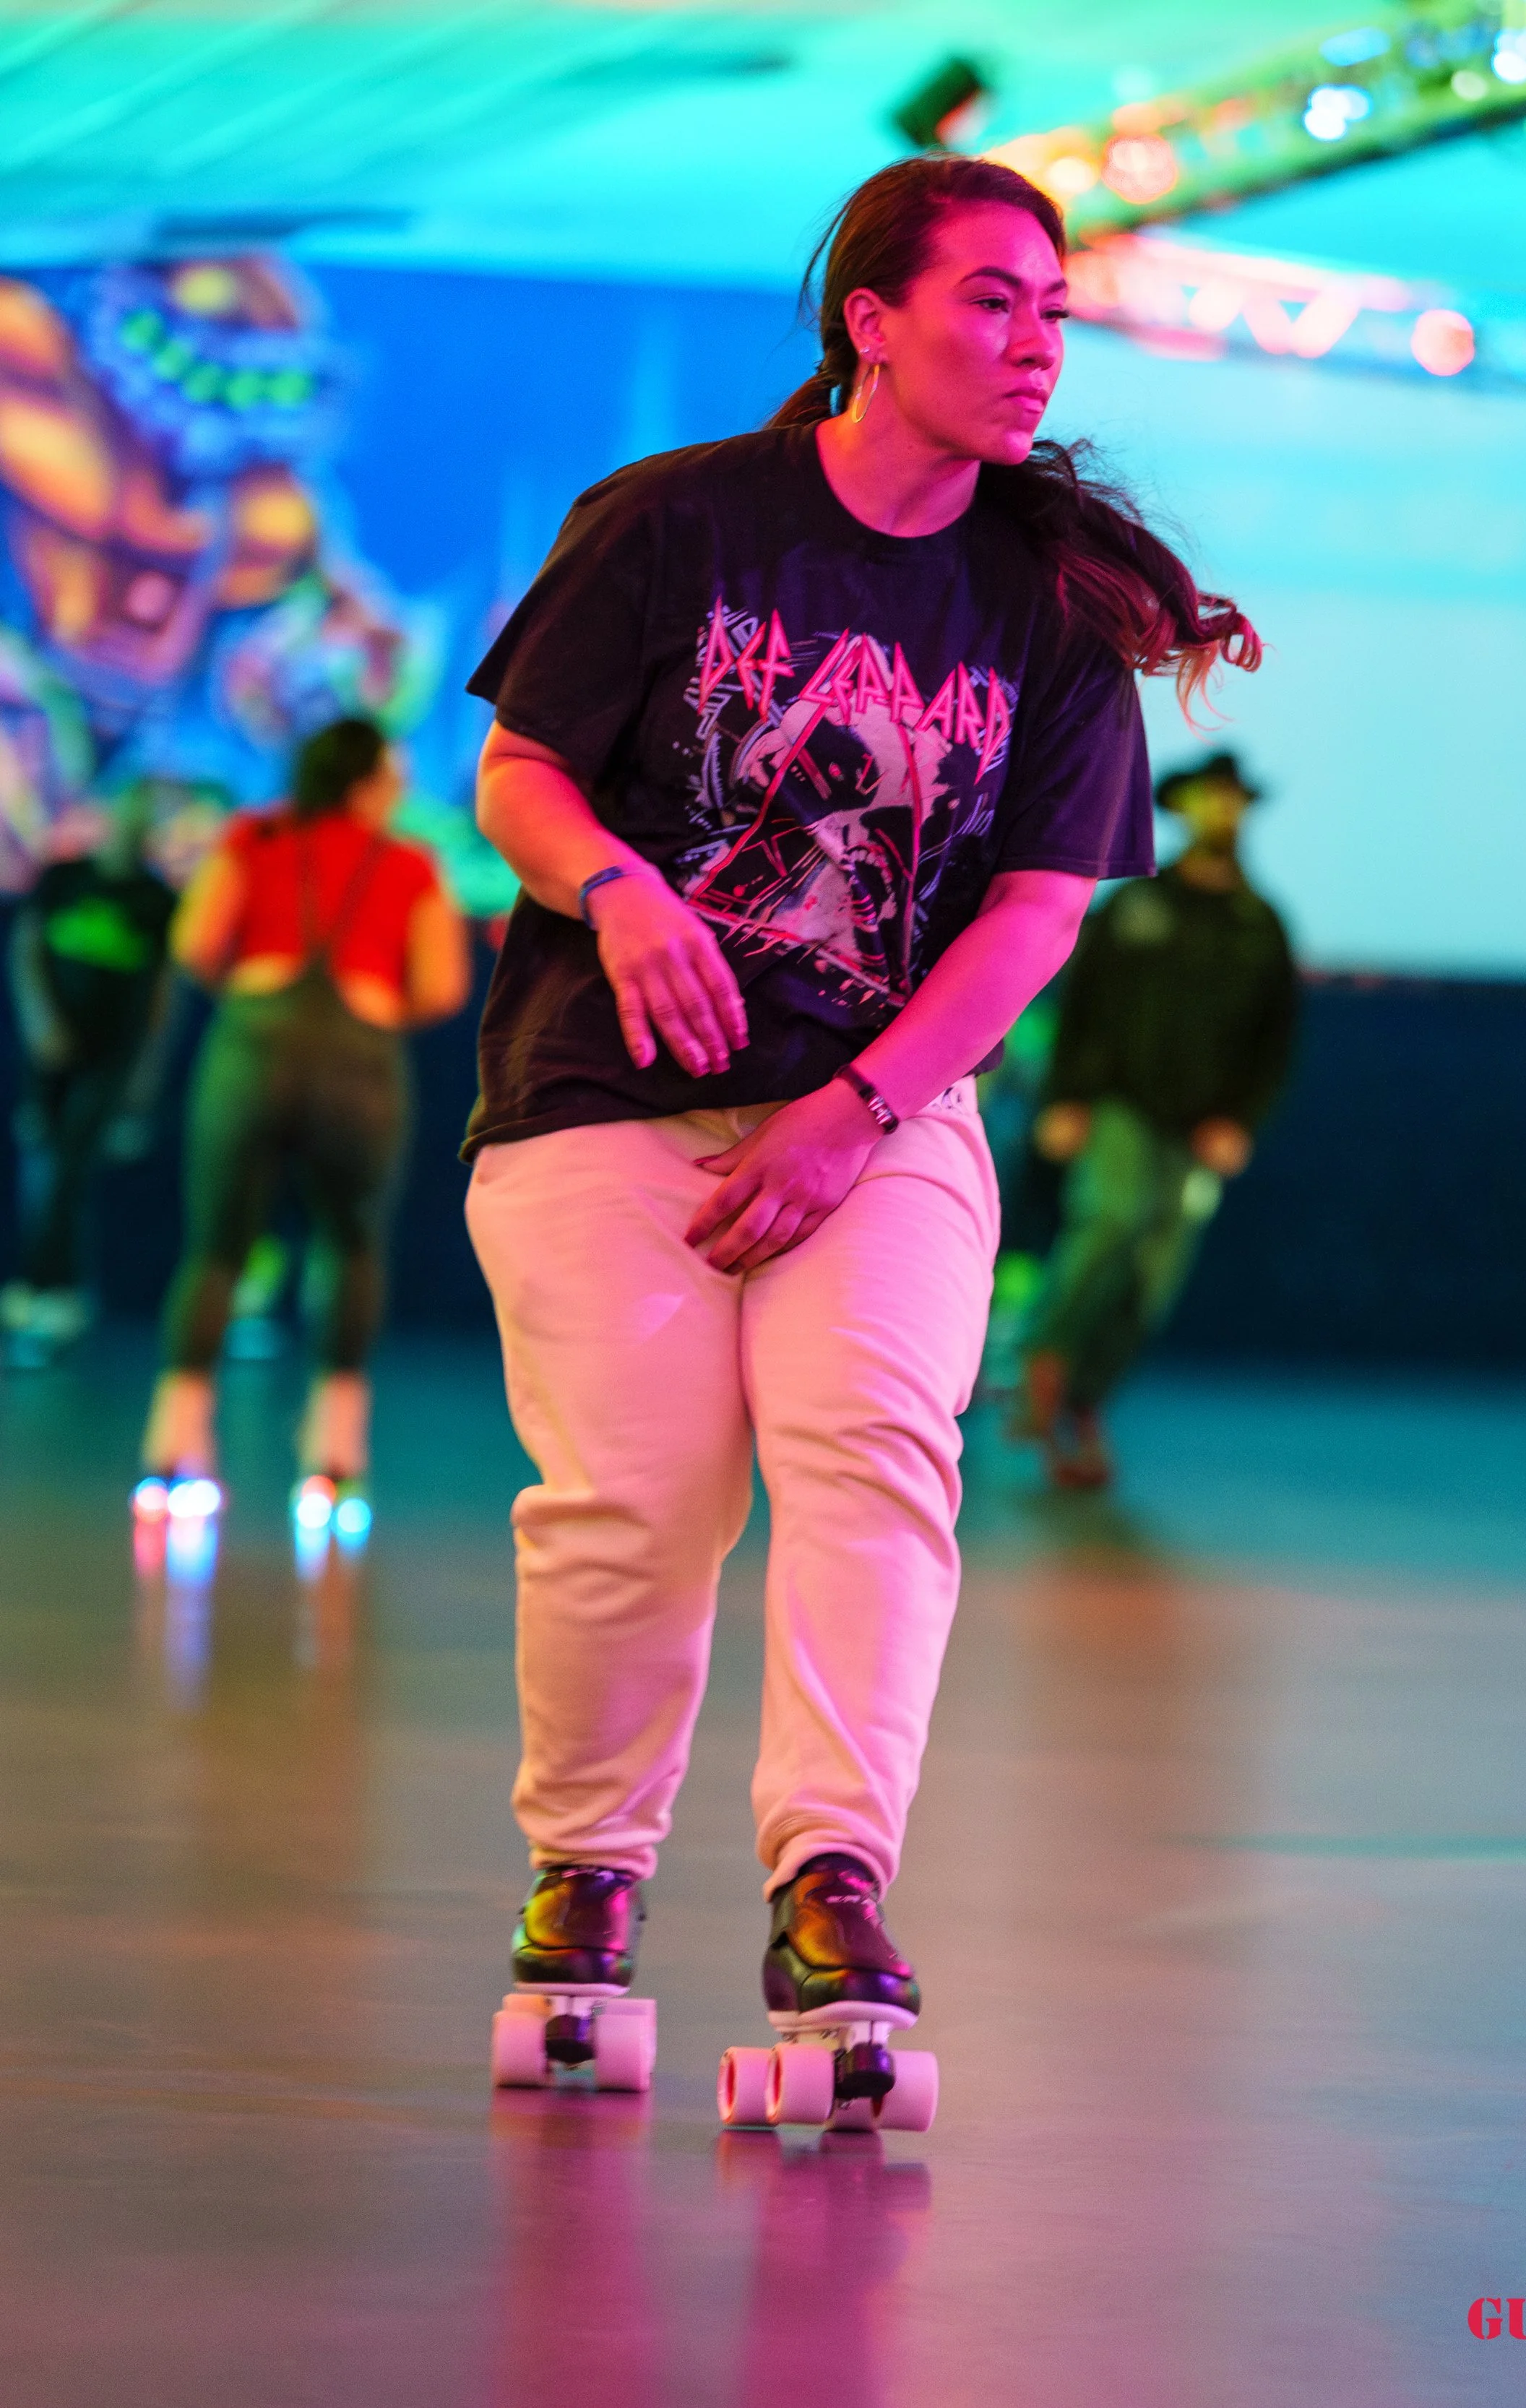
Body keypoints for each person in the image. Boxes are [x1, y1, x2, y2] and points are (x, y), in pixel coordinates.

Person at [460, 153, 1259, 2050]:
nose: (1033, 341)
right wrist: (622, 886)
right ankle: (586, 1867)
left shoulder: (1044, 601)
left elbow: (1037, 910)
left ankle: (831, 1882)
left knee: (872, 1448)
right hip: (605, 1096)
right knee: (636, 1502)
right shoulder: (673, 524)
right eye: (991, 299)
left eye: (1055, 309)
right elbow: (516, 775)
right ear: (869, 322)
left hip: (884, 1118)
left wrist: (863, 1103)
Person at [139, 717, 470, 1497]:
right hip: (360, 1061)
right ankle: (337, 1454)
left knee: (218, 1248)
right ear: (365, 784)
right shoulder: (410, 865)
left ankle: (175, 1444)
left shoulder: (254, 837)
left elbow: (194, 944)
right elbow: (441, 987)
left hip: (252, 1045)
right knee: (353, 1245)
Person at [1014, 748, 1298, 1490]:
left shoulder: (1260, 926)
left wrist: (1239, 1119)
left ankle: (1083, 1401)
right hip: (1120, 1108)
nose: (1220, 811)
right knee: (1109, 1221)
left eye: (1232, 800)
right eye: (1208, 798)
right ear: (1184, 808)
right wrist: (1066, 1100)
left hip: (1199, 1129)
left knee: (1155, 1274)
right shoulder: (1134, 906)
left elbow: (1275, 1040)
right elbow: (1078, 1007)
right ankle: (1043, 1362)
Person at [4, 783, 176, 1367]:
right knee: (43, 1163)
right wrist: (41, 1022)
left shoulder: (157, 899)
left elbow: (162, 990)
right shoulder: (64, 877)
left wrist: (144, 1074)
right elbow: (25, 949)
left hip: (113, 1058)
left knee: (70, 1167)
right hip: (51, 1055)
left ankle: (45, 1292)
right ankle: (57, 1289)